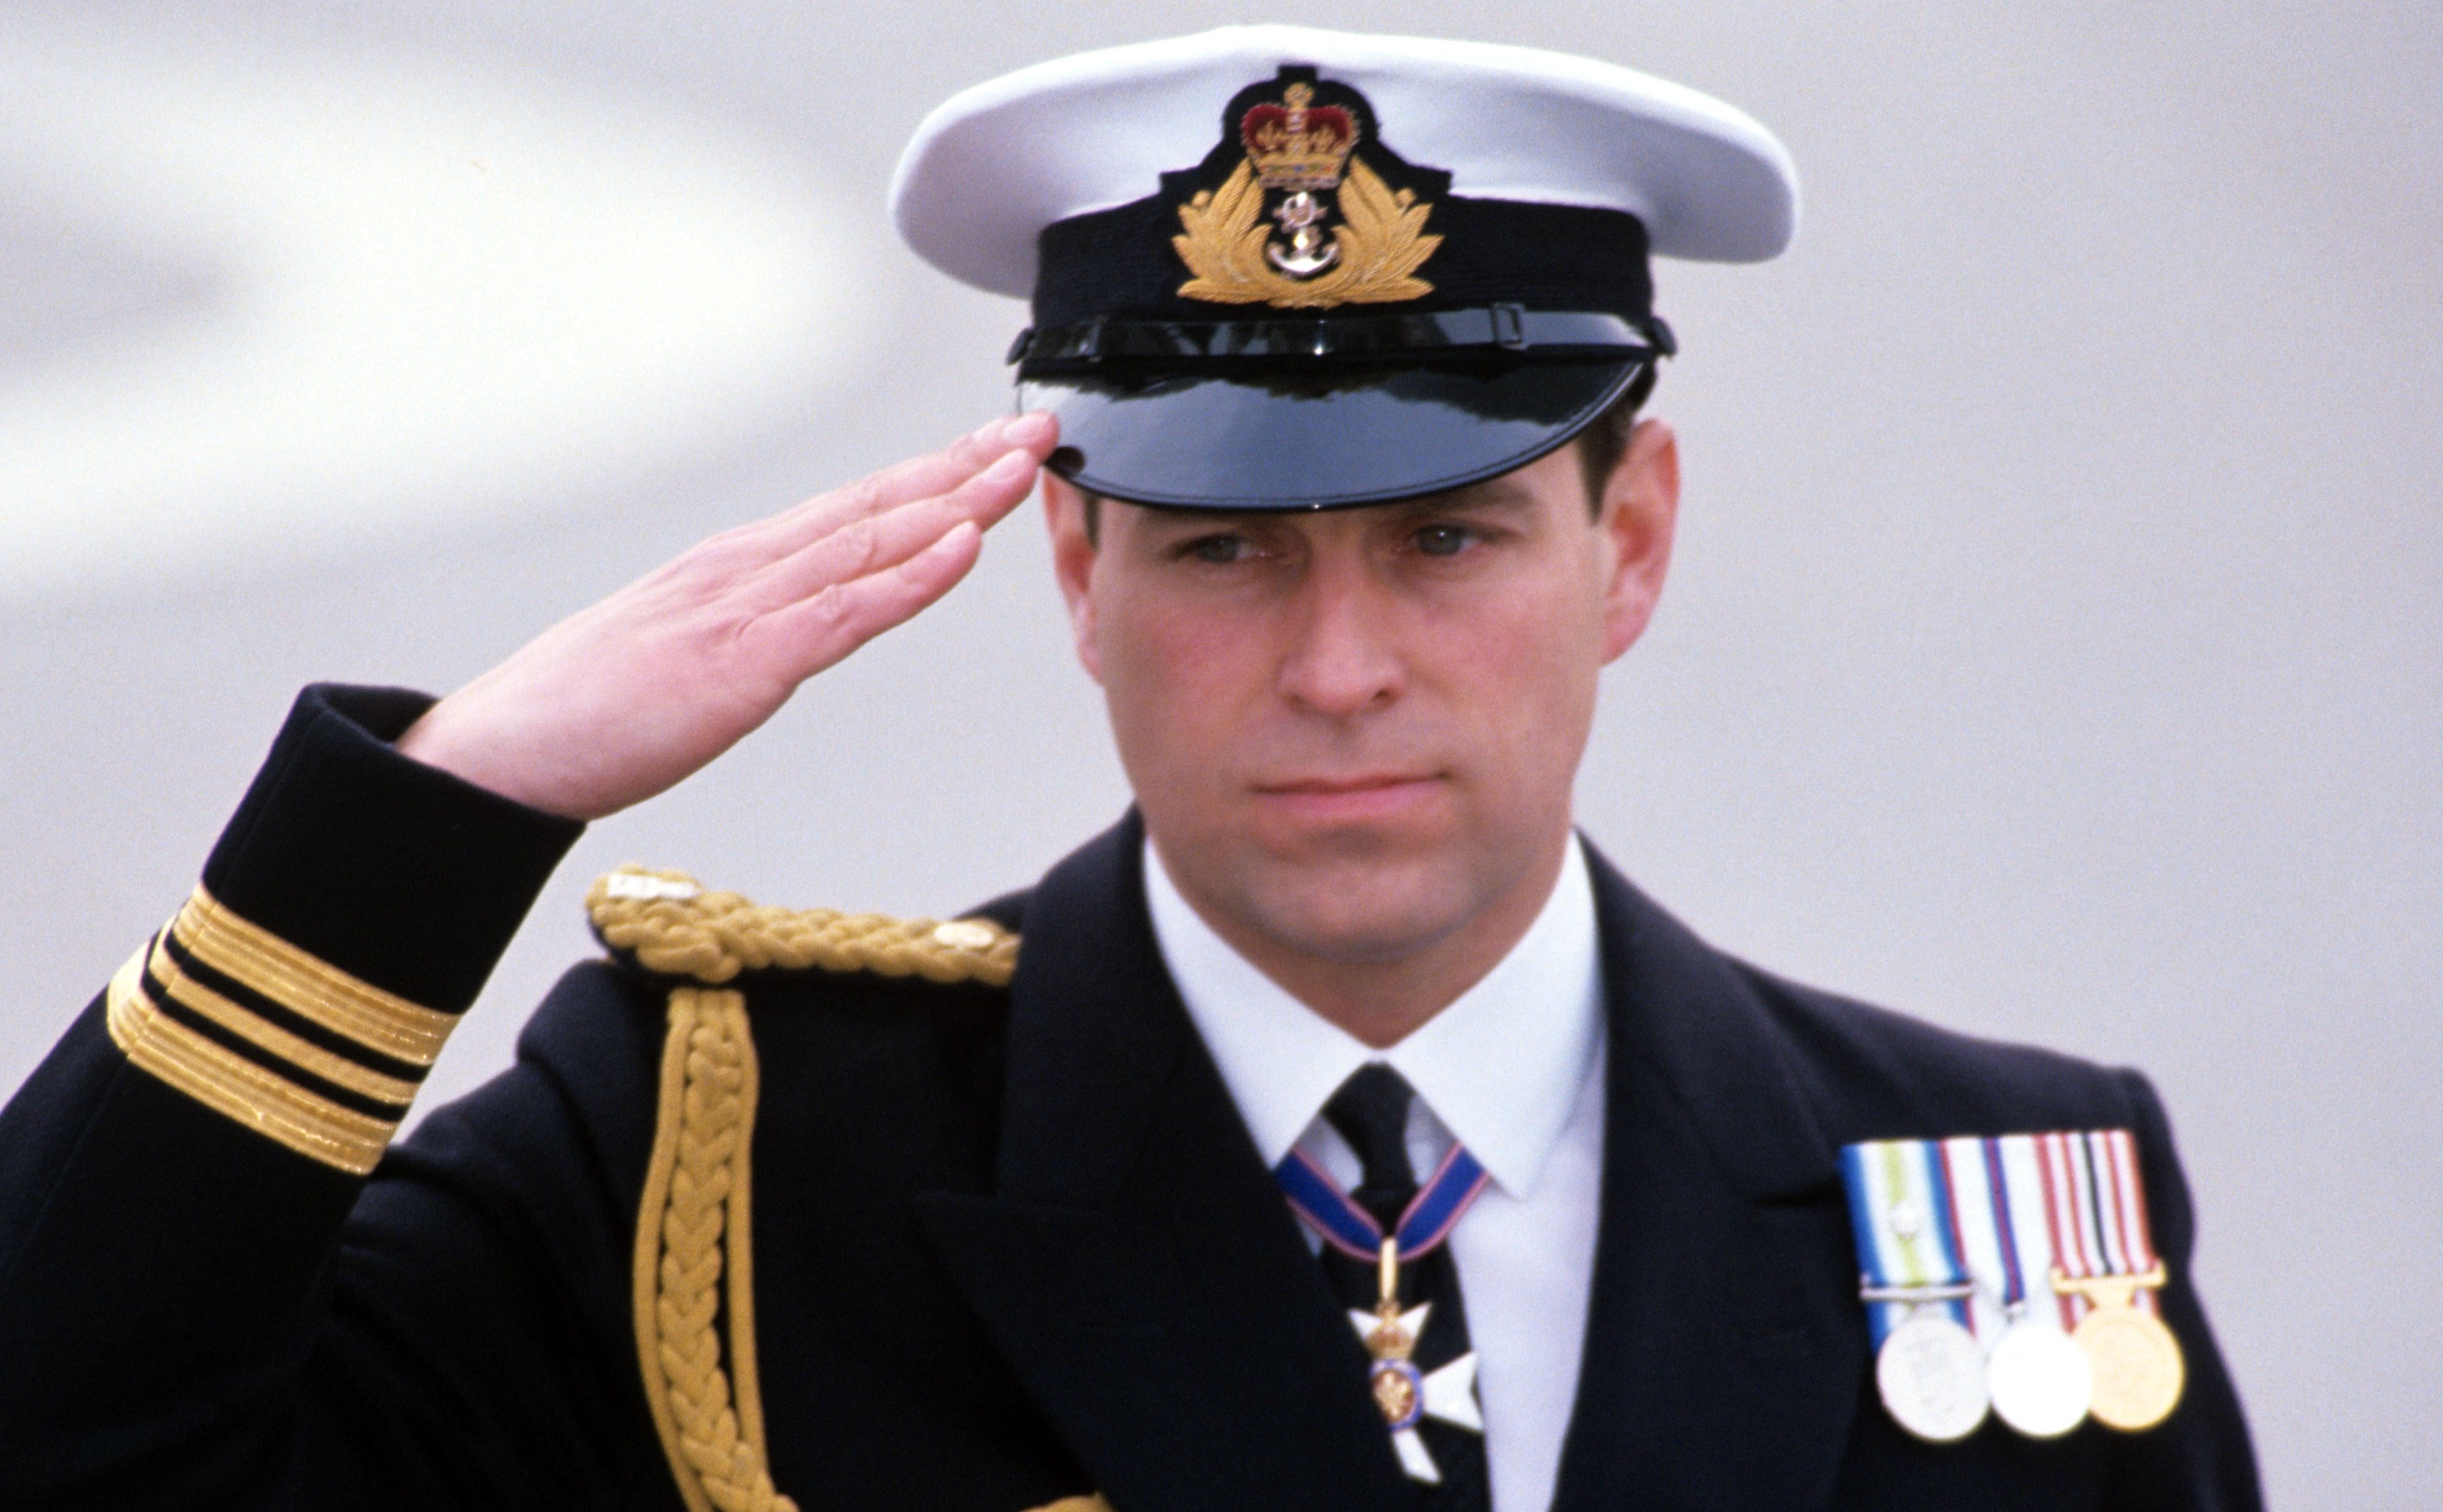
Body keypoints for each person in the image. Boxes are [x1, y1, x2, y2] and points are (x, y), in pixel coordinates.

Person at [0, 25, 2260, 1512]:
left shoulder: (1979, 1205)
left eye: (1448, 539)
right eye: (1224, 550)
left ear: (1633, 538)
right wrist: (432, 818)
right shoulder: (722, 1154)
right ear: (1076, 564)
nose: (1339, 669)